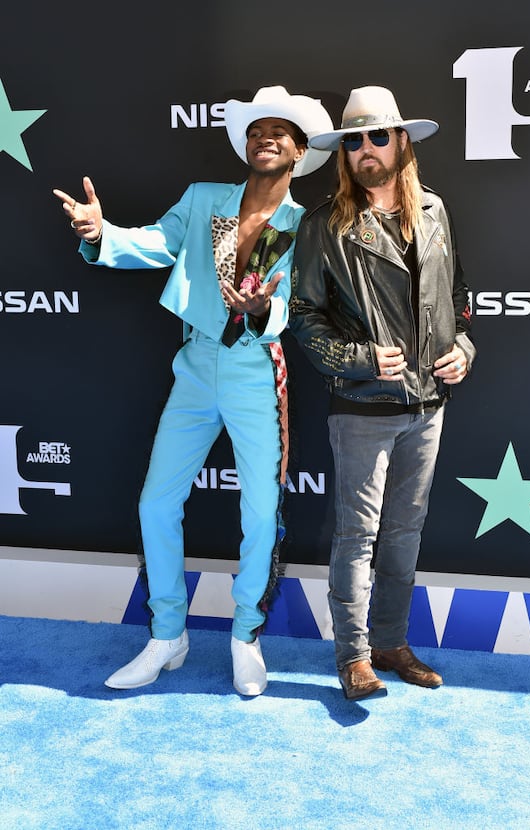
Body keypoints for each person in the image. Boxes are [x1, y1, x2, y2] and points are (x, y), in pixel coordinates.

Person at [53, 86, 332, 696]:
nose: (268, 136)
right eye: (259, 128)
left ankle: (245, 637)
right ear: (247, 142)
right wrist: (102, 233)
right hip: (195, 366)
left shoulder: (308, 226)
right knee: (157, 502)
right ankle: (167, 634)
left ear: (301, 152)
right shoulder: (207, 200)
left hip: (256, 368)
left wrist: (264, 311)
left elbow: (303, 304)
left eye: (282, 131)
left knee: (260, 510)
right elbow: (154, 244)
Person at [289, 86, 475, 701]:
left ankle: (392, 642)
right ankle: (354, 655)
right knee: (358, 536)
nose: (365, 149)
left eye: (377, 136)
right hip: (364, 405)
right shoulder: (325, 225)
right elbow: (304, 316)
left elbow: (457, 300)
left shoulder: (437, 212)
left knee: (405, 533)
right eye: (353, 140)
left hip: (428, 406)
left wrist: (463, 351)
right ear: (343, 153)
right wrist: (362, 359)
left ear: (401, 142)